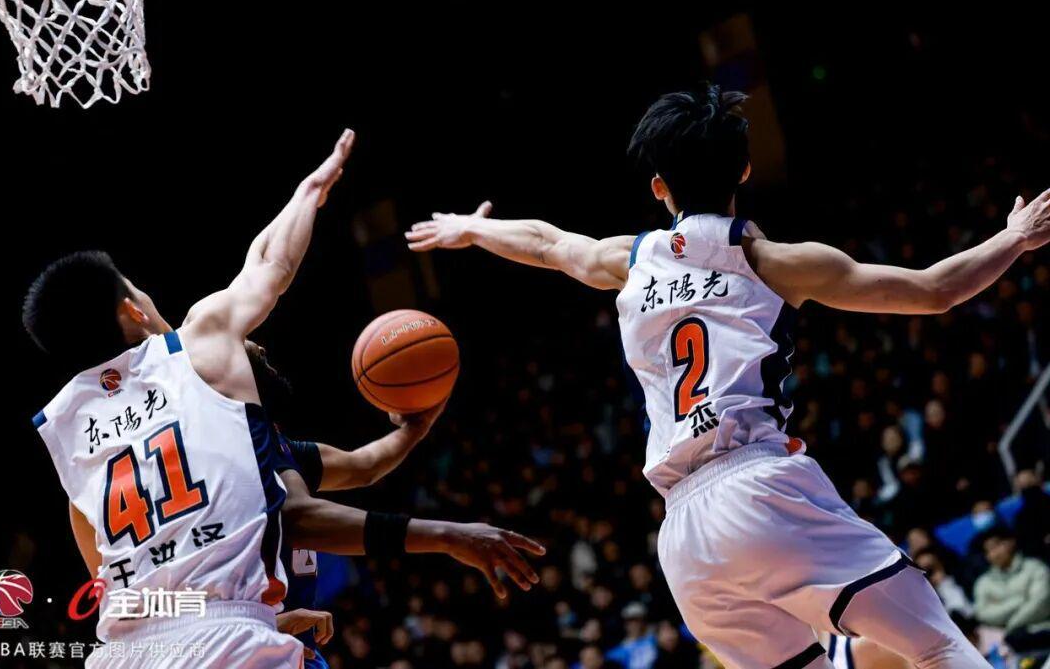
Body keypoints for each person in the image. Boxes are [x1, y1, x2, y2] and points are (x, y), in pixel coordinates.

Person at [406, 84, 1050, 669]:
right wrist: (1016, 237)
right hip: (759, 488)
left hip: (685, 539)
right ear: (744, 169)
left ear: (659, 187)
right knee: (935, 645)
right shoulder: (774, 261)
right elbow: (935, 290)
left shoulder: (629, 261)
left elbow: (546, 242)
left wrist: (472, 228)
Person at [25, 129, 357, 668]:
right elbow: (269, 267)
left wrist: (251, 616)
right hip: (230, 647)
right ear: (134, 310)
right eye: (137, 288)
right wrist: (310, 192)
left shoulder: (74, 447)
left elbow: (132, 603)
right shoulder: (197, 350)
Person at [246, 341, 547, 666]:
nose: (260, 345)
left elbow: (364, 466)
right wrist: (449, 536)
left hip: (287, 650)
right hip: (251, 652)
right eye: (240, 341)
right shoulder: (234, 451)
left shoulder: (275, 444)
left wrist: (418, 425)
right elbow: (299, 517)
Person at [973, 526, 1050, 652]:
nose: (994, 554)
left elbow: (1041, 603)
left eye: (996, 546)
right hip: (1007, 645)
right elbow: (983, 614)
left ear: (1010, 543)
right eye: (988, 551)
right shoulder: (983, 583)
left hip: (1042, 630)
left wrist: (1012, 625)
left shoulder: (1035, 567)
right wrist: (1019, 601)